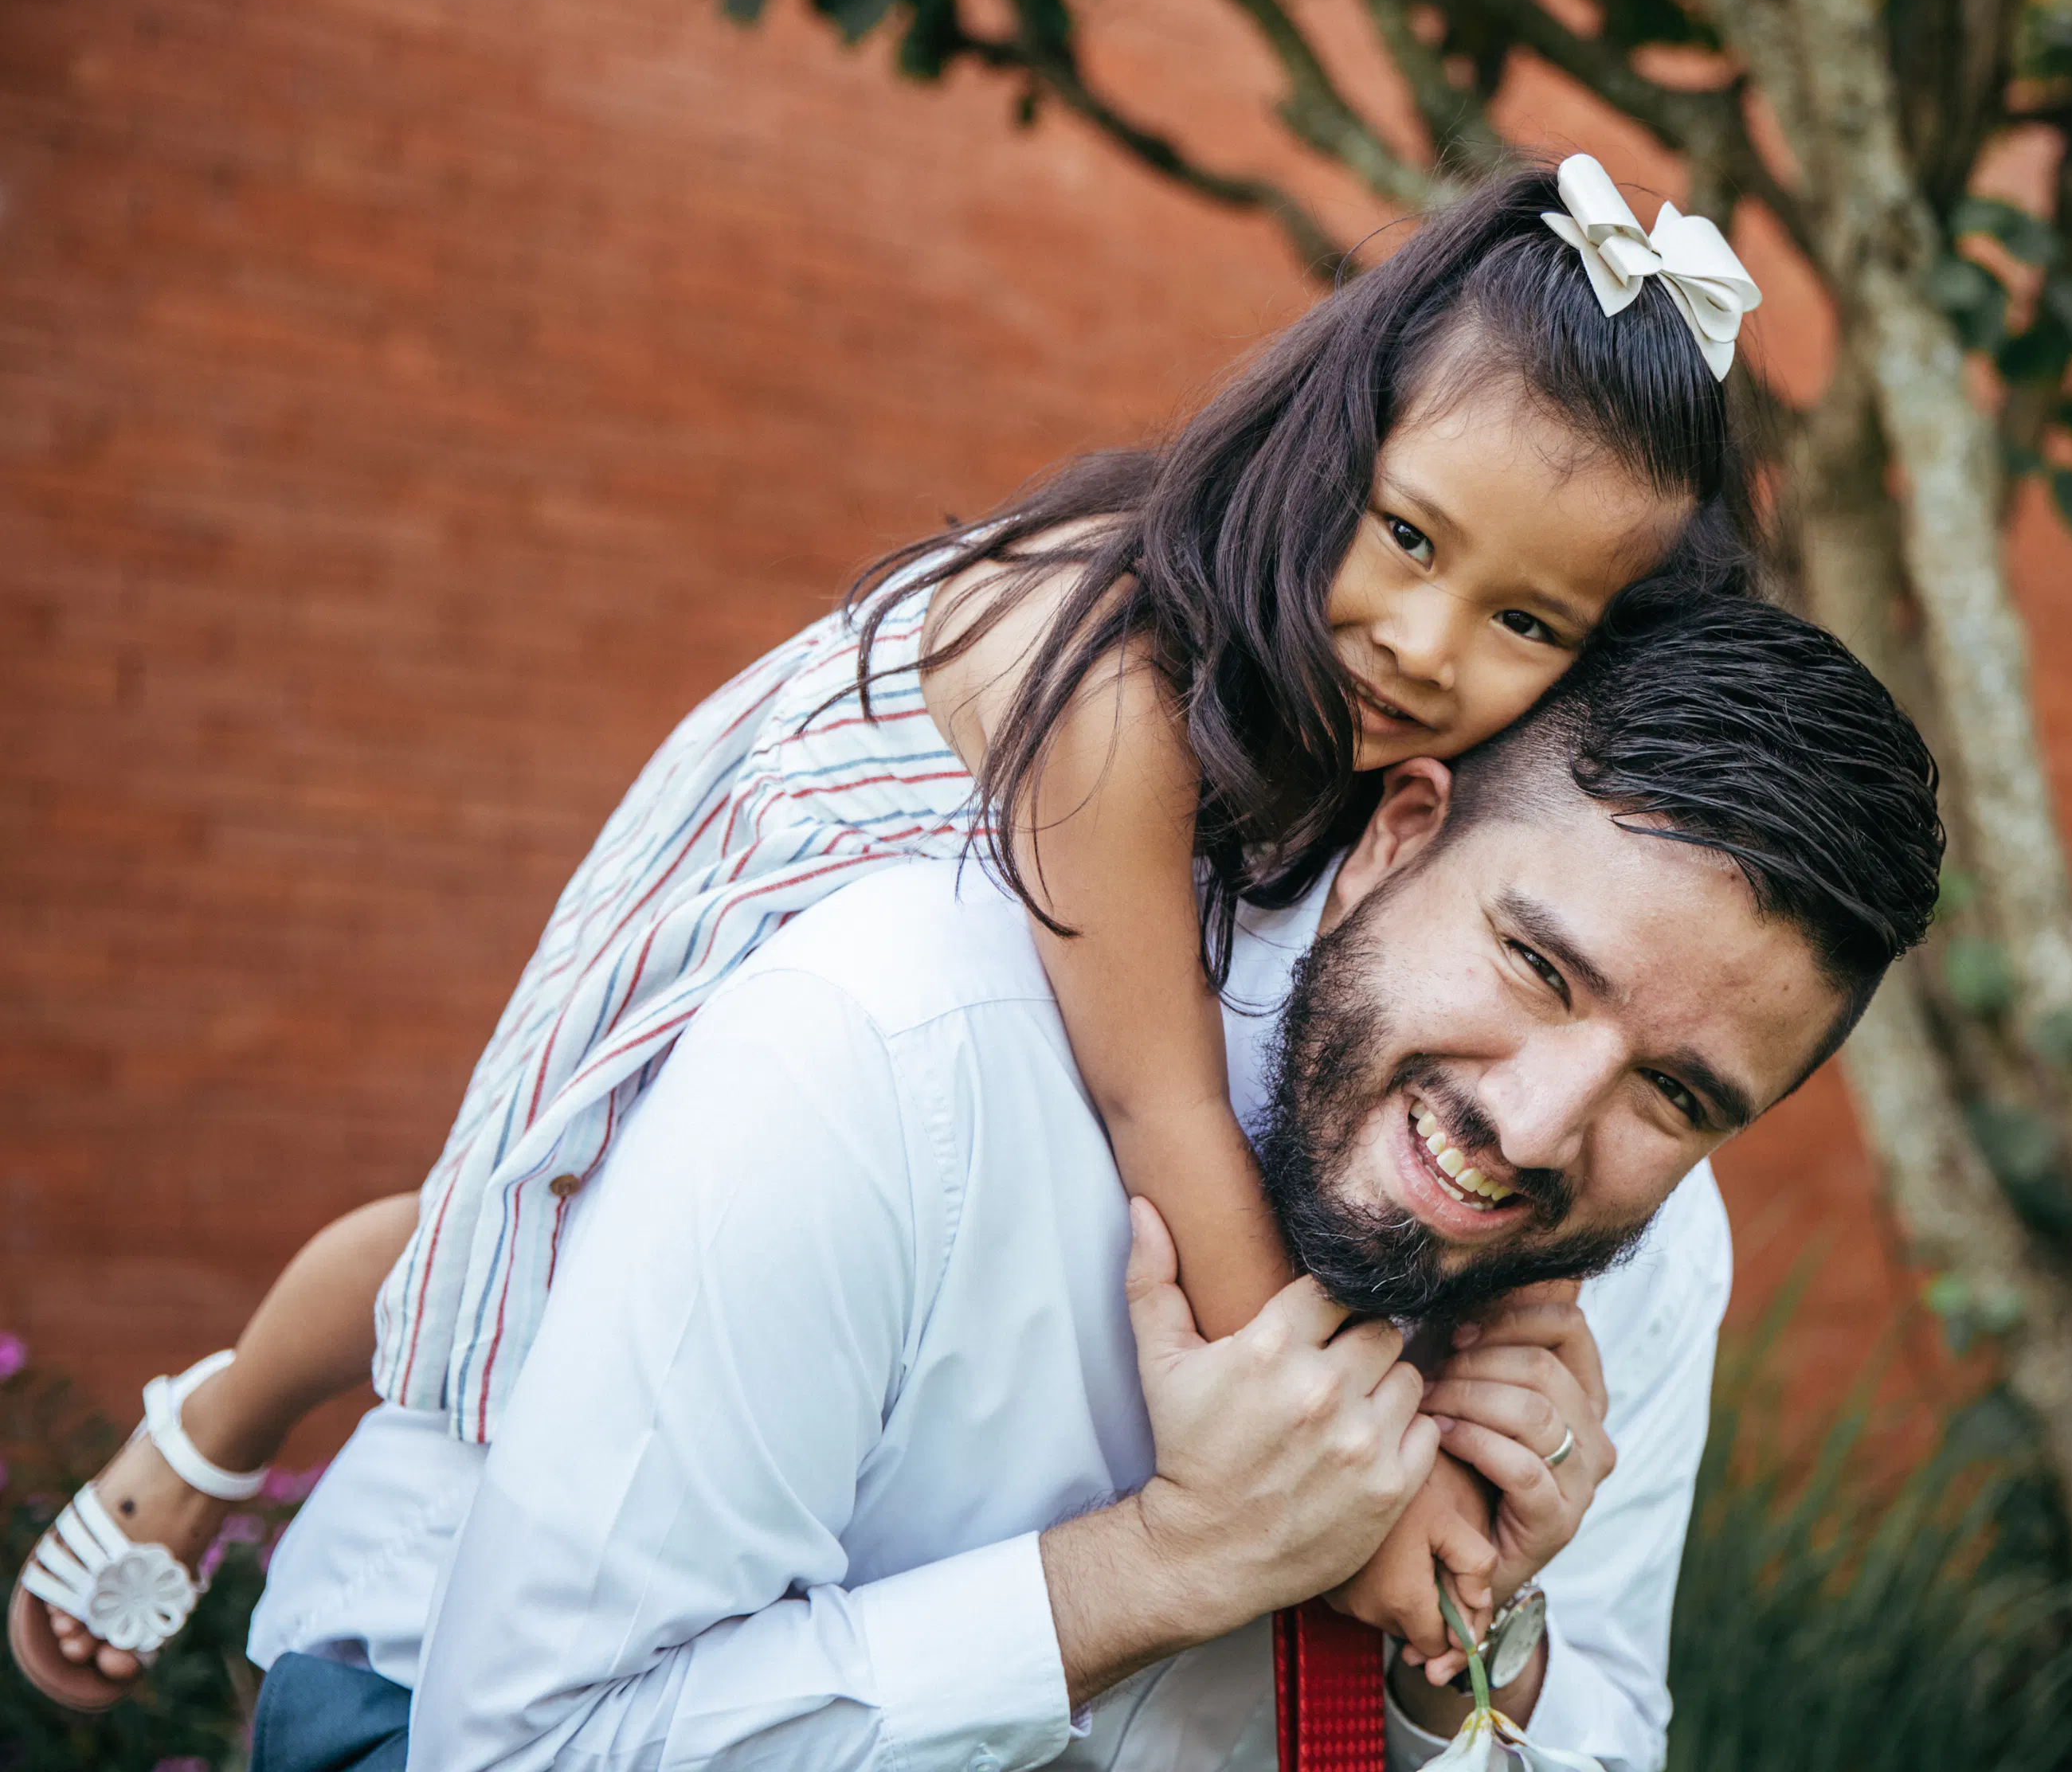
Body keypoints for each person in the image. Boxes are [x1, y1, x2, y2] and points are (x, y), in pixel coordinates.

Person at [10, 155, 1768, 1711]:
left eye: (1528, 621)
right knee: (497, 1245)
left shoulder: (1348, 712)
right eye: (1407, 535)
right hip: (762, 897)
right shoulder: (1116, 674)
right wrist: (1362, 1504)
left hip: (956, 951)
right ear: (1334, 432)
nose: (1426, 643)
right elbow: (1161, 1110)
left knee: (513, 1242)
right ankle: (213, 1428)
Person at [243, 586, 1945, 1772]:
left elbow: (1580, 1741)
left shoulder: (1648, 1254)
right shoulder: (908, 1035)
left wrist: (1469, 1652)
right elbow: (526, 1743)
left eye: (1677, 1092)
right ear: (1402, 834)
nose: (1539, 1124)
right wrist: (1156, 1570)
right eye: (1538, 966)